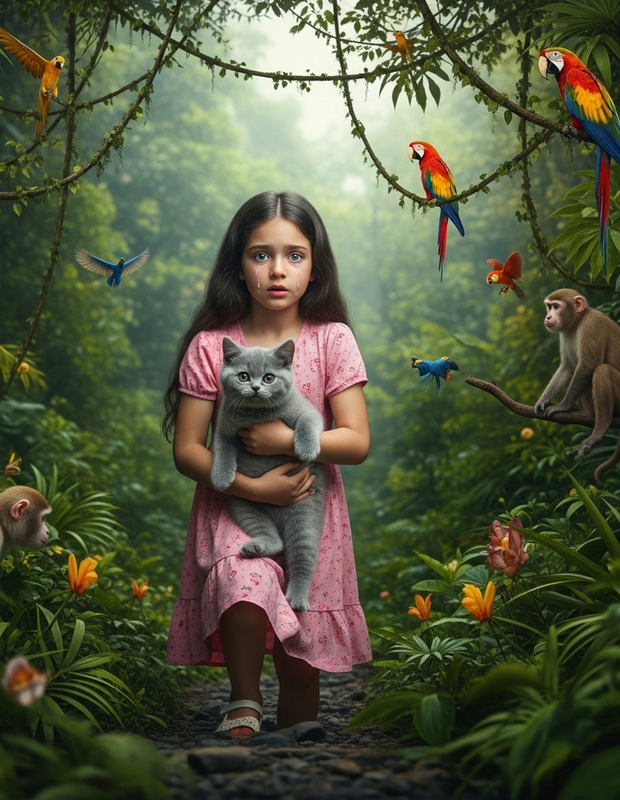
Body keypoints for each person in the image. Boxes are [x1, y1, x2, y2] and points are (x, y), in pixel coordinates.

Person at [162, 190, 371, 738]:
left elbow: (355, 441)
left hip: (309, 507)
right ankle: (243, 702)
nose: (278, 270)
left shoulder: (332, 341)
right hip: (233, 504)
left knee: (302, 656)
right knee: (242, 578)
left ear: (315, 266)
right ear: (238, 264)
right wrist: (256, 492)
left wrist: (286, 438)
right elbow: (188, 449)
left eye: (295, 255)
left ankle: (297, 730)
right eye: (261, 254)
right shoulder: (212, 346)